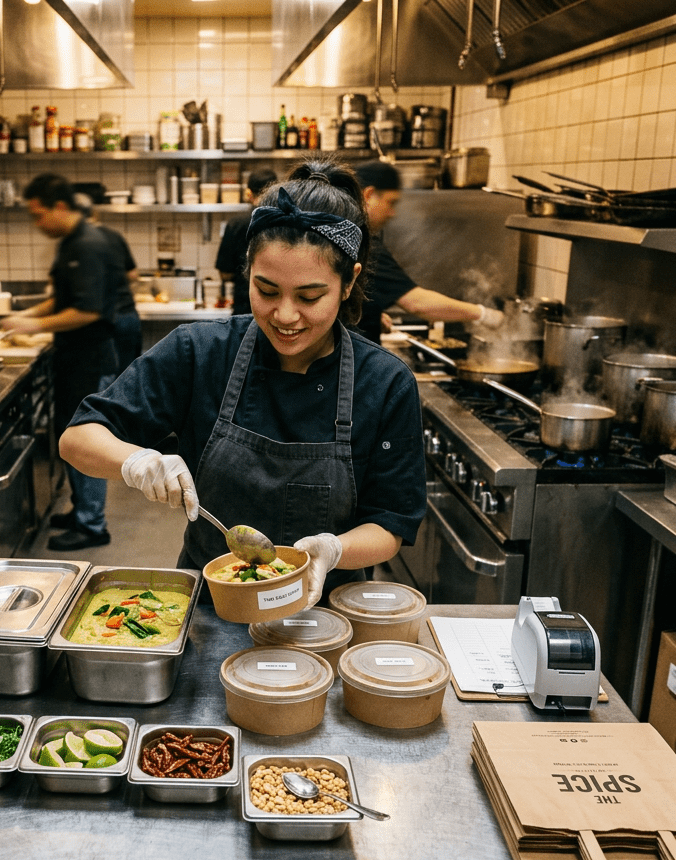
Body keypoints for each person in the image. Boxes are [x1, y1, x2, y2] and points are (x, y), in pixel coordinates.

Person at [58, 161, 427, 607]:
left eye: (310, 297)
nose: (286, 316)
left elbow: (390, 524)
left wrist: (335, 550)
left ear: (348, 283)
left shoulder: (384, 381)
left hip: (327, 613)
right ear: (248, 272)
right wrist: (136, 461)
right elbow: (78, 438)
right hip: (210, 608)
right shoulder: (202, 352)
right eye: (266, 290)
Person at [0, 173, 126, 551]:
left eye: (38, 216)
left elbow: (87, 311)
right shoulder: (72, 242)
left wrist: (34, 324)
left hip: (90, 360)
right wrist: (23, 316)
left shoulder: (88, 244)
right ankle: (81, 509)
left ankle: (92, 525)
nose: (37, 225)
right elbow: (63, 300)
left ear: (59, 206)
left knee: (86, 440)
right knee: (69, 436)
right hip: (74, 360)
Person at [354, 160, 506, 343]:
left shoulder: (343, 231)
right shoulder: (362, 242)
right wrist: (484, 314)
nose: (392, 213)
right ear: (369, 194)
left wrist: (366, 314)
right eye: (390, 202)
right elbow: (417, 304)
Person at [73, 191, 143, 375]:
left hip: (102, 323)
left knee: (105, 385)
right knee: (130, 380)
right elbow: (132, 274)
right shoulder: (114, 236)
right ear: (94, 213)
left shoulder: (76, 242)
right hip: (127, 316)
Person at [214, 168, 278, 316]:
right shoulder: (287, 222)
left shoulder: (236, 224)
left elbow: (225, 274)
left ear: (248, 193)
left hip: (245, 309)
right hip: (276, 311)